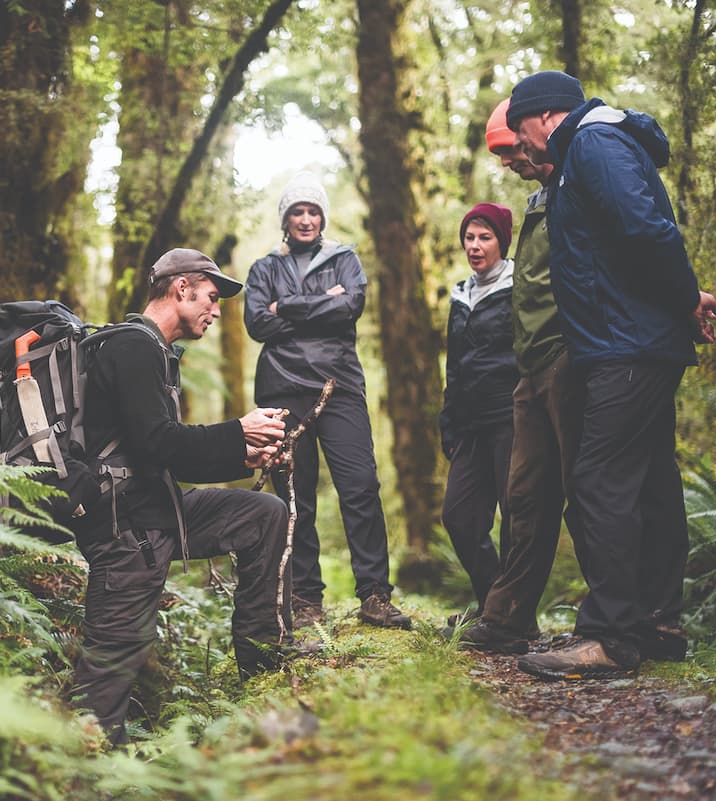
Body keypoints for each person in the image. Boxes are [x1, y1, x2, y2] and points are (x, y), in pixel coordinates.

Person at [503, 71, 716, 680]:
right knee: (650, 481)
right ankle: (657, 622)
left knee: (598, 480)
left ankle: (610, 635)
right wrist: (684, 297)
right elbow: (629, 239)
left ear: (544, 116)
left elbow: (646, 230)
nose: (520, 144)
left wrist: (682, 299)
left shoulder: (593, 144)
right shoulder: (589, 148)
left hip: (626, 345)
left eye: (521, 128)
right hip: (632, 340)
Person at [71, 247, 298, 744]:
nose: (216, 312)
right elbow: (160, 443)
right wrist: (239, 430)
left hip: (159, 510)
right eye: (212, 299)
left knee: (263, 514)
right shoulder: (132, 348)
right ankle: (76, 765)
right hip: (126, 529)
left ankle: (262, 666)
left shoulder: (154, 351)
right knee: (107, 675)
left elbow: (167, 452)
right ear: (181, 288)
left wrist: (244, 454)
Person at [244, 171, 410, 630]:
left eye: (312, 211)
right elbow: (258, 324)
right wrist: (321, 304)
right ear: (285, 220)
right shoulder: (263, 269)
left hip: (339, 387)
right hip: (280, 389)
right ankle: (304, 600)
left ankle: (375, 595)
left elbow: (349, 308)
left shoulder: (345, 259)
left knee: (360, 487)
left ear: (322, 217)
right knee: (296, 496)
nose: (305, 219)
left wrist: (287, 307)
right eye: (296, 211)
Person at [454, 97, 588, 654]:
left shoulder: (581, 186)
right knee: (524, 502)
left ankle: (618, 619)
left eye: (511, 148)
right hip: (523, 382)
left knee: (584, 494)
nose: (509, 160)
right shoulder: (540, 202)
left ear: (541, 130)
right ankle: (506, 614)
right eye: (502, 154)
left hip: (568, 362)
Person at [439, 202, 519, 621]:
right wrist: (449, 422)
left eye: (485, 237)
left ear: (501, 242)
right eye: (469, 237)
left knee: (514, 519)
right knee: (459, 516)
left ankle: (511, 614)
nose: (475, 245)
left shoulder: (518, 286)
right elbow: (455, 363)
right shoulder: (461, 294)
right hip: (469, 425)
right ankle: (492, 601)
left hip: (510, 418)